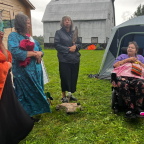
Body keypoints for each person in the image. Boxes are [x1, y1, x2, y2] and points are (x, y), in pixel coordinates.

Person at [8, 14, 51, 121]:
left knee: (35, 91)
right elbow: (15, 52)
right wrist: (33, 54)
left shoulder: (29, 37)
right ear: (21, 23)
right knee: (24, 94)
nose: (29, 25)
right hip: (23, 73)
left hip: (35, 71)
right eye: (27, 23)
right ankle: (26, 117)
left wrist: (40, 53)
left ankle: (36, 112)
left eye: (29, 22)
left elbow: (40, 49)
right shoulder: (13, 36)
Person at [0, 31, 34, 144]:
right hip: (3, 77)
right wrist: (7, 65)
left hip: (5, 80)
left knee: (8, 109)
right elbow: (15, 55)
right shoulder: (13, 36)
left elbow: (6, 58)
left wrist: (0, 43)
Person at [112, 41, 144, 118]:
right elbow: (115, 65)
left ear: (136, 50)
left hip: (137, 77)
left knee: (141, 84)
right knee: (122, 84)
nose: (129, 49)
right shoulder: (122, 56)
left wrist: (138, 62)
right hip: (123, 77)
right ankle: (129, 108)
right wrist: (127, 60)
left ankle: (138, 107)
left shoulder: (141, 58)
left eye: (132, 48)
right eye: (129, 47)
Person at [54, 16, 81, 103]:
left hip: (74, 59)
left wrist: (75, 47)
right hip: (64, 59)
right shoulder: (59, 33)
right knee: (65, 77)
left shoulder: (74, 33)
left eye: (68, 20)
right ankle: (63, 96)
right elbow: (57, 45)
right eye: (65, 20)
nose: (67, 22)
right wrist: (68, 49)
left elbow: (80, 44)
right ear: (62, 23)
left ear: (71, 22)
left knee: (73, 77)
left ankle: (70, 94)